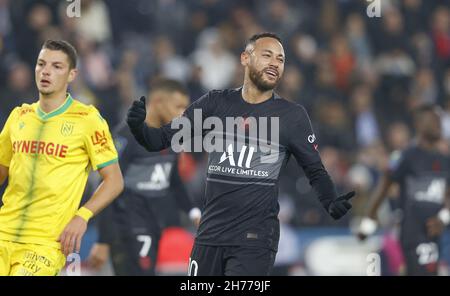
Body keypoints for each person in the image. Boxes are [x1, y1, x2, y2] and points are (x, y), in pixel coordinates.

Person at [126, 32, 354, 276]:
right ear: (245, 58)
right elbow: (160, 139)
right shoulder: (214, 104)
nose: (275, 63)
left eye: (281, 59)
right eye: (267, 55)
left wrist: (330, 200)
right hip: (209, 236)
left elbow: (315, 170)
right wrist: (140, 129)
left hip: (254, 239)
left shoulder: (292, 117)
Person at [0, 40, 124, 276]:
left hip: (44, 244)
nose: (46, 71)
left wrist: (82, 216)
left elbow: (114, 181)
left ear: (71, 74)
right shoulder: (18, 116)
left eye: (57, 66)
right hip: (3, 232)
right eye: (41, 64)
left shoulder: (87, 119)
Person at [88, 79, 201, 276]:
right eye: (178, 106)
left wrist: (193, 212)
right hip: (127, 226)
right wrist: (103, 240)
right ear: (157, 102)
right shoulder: (127, 137)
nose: (183, 113)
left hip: (153, 225)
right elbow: (107, 185)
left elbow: (173, 179)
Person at [357, 104, 450, 276]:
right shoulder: (406, 157)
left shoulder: (445, 160)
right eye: (434, 121)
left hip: (434, 234)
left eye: (440, 121)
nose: (439, 125)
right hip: (412, 233)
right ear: (420, 125)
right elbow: (383, 187)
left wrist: (443, 219)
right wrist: (368, 223)